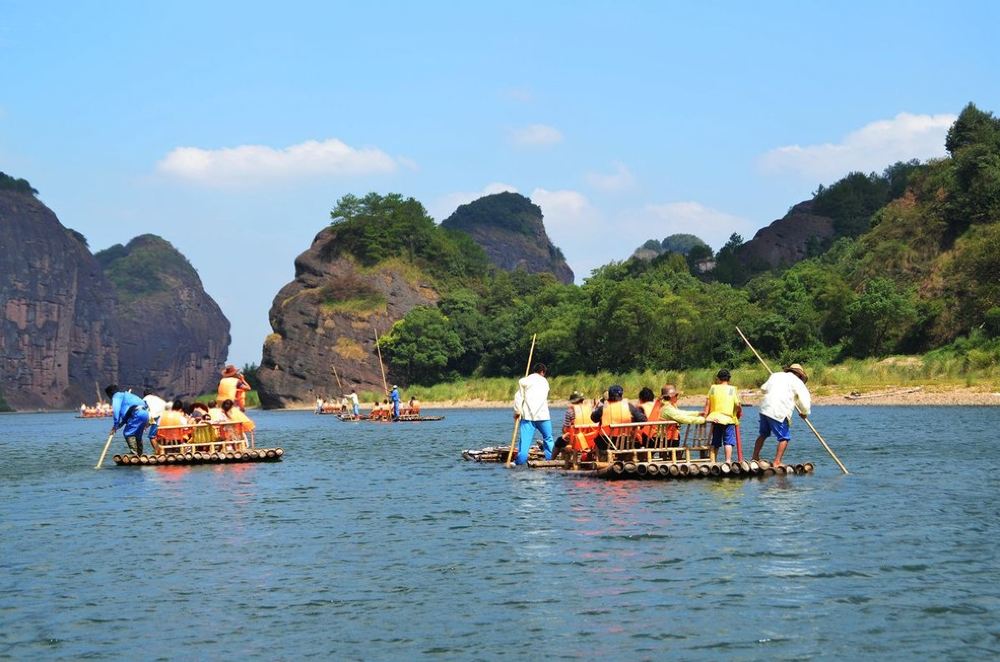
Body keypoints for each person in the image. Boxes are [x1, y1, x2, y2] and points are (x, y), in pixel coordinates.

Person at [752, 363, 812, 468]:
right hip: (779, 411)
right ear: (799, 375)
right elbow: (805, 400)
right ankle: (777, 462)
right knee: (784, 437)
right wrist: (805, 412)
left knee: (763, 434)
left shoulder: (775, 375)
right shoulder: (797, 382)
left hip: (765, 409)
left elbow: (763, 388)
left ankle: (755, 457)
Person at [512, 363, 555, 465]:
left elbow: (518, 397)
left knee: (525, 442)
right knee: (548, 438)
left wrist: (517, 411)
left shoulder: (524, 381)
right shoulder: (545, 382)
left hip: (528, 417)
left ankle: (520, 461)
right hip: (543, 416)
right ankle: (551, 460)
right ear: (542, 372)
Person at [703, 369, 742, 463]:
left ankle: (713, 461)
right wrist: (739, 412)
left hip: (715, 418)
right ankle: (728, 461)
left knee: (715, 441)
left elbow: (707, 404)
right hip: (728, 419)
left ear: (718, 379)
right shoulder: (732, 389)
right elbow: (737, 405)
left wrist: (705, 416)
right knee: (728, 441)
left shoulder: (713, 388)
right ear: (729, 379)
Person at [553, 390, 598, 459]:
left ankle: (551, 459)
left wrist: (565, 433)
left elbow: (565, 429)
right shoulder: (590, 409)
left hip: (575, 441)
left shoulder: (570, 411)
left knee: (559, 441)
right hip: (591, 440)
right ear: (582, 400)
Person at [106, 384, 149, 455]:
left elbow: (116, 412)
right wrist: (118, 426)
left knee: (128, 433)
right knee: (137, 435)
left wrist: (115, 425)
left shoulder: (116, 396)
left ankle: (134, 453)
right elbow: (126, 418)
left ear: (110, 394)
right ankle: (139, 453)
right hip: (145, 413)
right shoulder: (126, 396)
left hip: (137, 413)